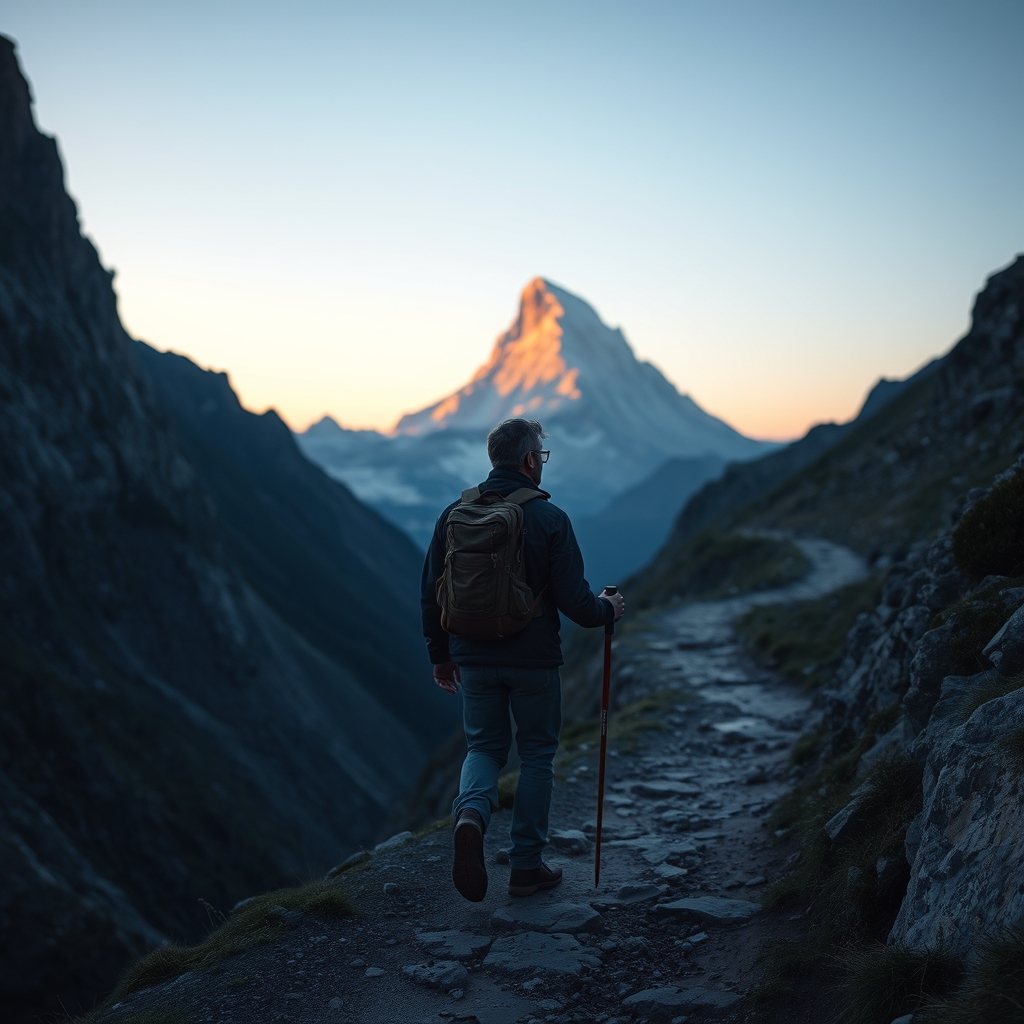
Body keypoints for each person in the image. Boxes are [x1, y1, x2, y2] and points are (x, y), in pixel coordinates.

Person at [421, 417, 625, 902]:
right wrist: (608, 609)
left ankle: (470, 815)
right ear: (531, 460)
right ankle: (526, 866)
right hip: (533, 661)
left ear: (495, 459)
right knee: (535, 756)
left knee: (484, 750)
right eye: (543, 458)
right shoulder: (550, 519)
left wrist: (440, 657)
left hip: (472, 656)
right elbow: (576, 604)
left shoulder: (454, 513)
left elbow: (432, 593)